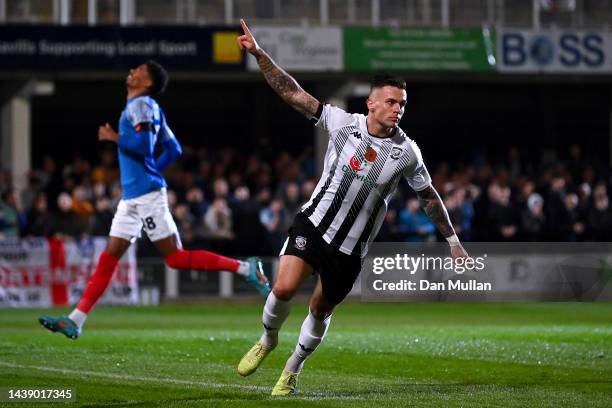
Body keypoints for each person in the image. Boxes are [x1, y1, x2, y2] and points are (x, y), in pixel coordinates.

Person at [235, 19, 468, 396]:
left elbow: (428, 195)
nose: (398, 110)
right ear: (371, 102)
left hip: (351, 249)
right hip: (314, 224)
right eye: (391, 102)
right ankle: (267, 339)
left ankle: (293, 368)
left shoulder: (407, 152)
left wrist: (452, 239)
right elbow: (294, 94)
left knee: (319, 310)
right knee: (282, 288)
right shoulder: (343, 123)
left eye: (403, 104)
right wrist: (261, 56)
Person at [39, 60, 270, 340]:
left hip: (146, 197)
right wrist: (149, 172)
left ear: (147, 82)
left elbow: (144, 146)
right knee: (109, 257)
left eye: (138, 70)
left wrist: (115, 137)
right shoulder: (149, 107)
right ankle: (76, 320)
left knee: (175, 258)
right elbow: (173, 148)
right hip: (133, 198)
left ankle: (247, 268)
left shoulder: (141, 105)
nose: (132, 71)